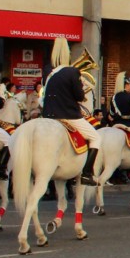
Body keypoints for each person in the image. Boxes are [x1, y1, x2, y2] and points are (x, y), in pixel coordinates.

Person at [41, 37, 101, 185]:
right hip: (68, 115)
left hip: (49, 115)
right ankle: (87, 173)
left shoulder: (48, 71)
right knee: (95, 137)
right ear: (67, 53)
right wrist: (82, 89)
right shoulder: (72, 71)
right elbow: (79, 96)